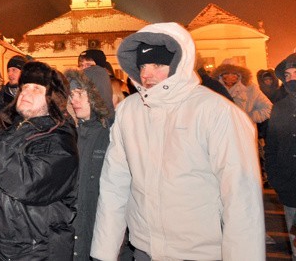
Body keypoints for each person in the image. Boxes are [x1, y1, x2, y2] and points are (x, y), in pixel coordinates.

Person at [91, 22, 265, 261]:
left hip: (200, 253)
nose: (146, 74)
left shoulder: (216, 111)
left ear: (178, 65)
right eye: (142, 65)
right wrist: (104, 252)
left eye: (157, 64)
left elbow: (241, 196)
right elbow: (115, 184)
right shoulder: (129, 111)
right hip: (144, 250)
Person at [0, 61, 78, 260]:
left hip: (28, 251)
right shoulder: (11, 133)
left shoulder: (59, 140)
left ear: (52, 99)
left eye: (36, 89)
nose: (26, 93)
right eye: (24, 87)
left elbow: (28, 183)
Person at [65, 69, 111, 260]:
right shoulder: (70, 134)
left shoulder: (112, 135)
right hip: (72, 232)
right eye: (72, 95)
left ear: (96, 95)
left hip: (100, 234)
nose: (75, 100)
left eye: (81, 94)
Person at [265, 53, 296, 258]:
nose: (291, 79)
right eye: (287, 75)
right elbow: (272, 147)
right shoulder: (280, 107)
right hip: (291, 189)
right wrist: (276, 179)